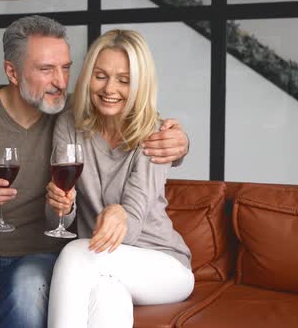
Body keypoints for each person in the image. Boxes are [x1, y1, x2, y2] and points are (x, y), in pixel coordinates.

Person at [0, 16, 189, 328]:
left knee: (46, 286)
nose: (61, 81)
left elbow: (138, 124)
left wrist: (181, 143)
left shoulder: (78, 112)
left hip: (42, 252)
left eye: (66, 68)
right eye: (46, 69)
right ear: (12, 72)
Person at [45, 29, 195, 328]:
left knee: (75, 252)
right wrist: (61, 204)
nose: (110, 88)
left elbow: (133, 222)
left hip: (162, 264)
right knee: (107, 297)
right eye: (100, 76)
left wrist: (120, 212)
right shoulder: (69, 123)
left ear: (139, 85)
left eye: (124, 80)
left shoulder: (154, 133)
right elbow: (56, 220)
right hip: (103, 264)